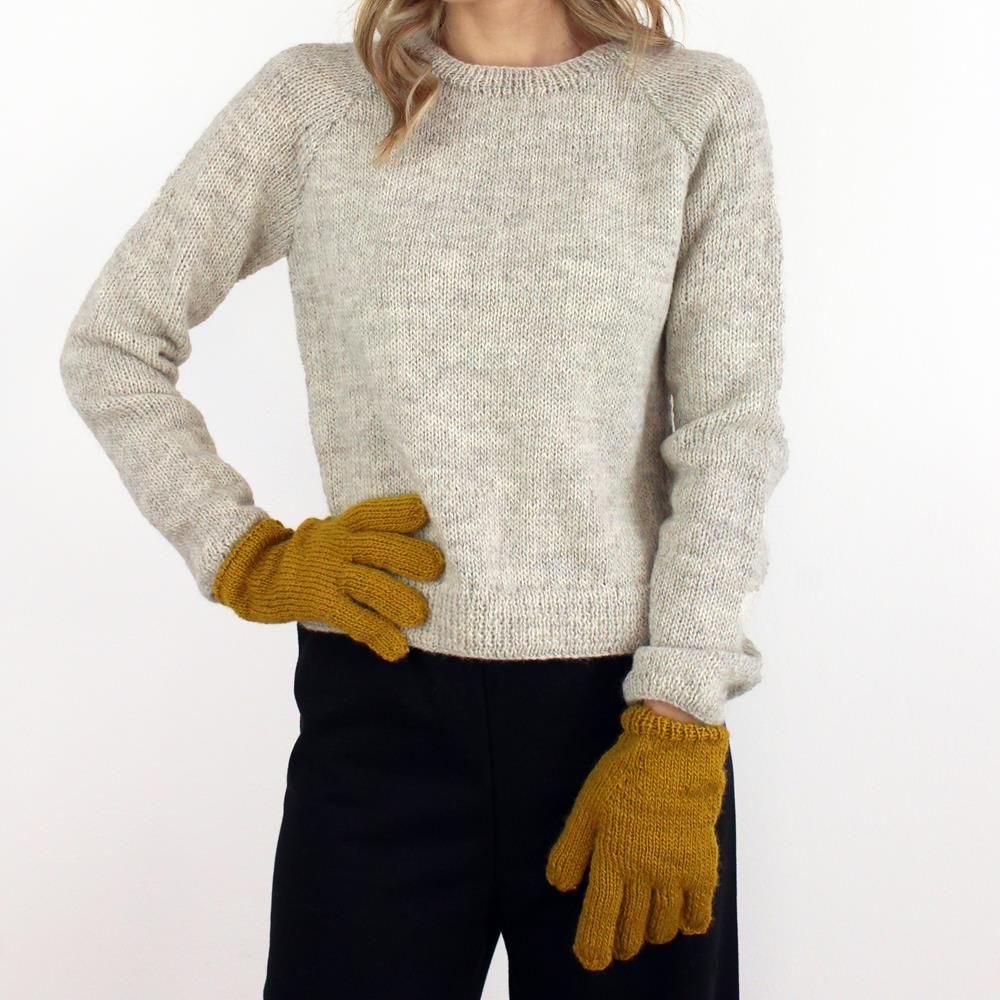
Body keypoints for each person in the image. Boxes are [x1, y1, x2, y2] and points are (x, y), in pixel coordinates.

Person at [58, 0, 788, 996]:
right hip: (380, 709)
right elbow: (112, 344)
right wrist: (242, 553)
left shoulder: (694, 107)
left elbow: (728, 432)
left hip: (627, 724)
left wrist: (680, 714)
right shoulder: (312, 102)